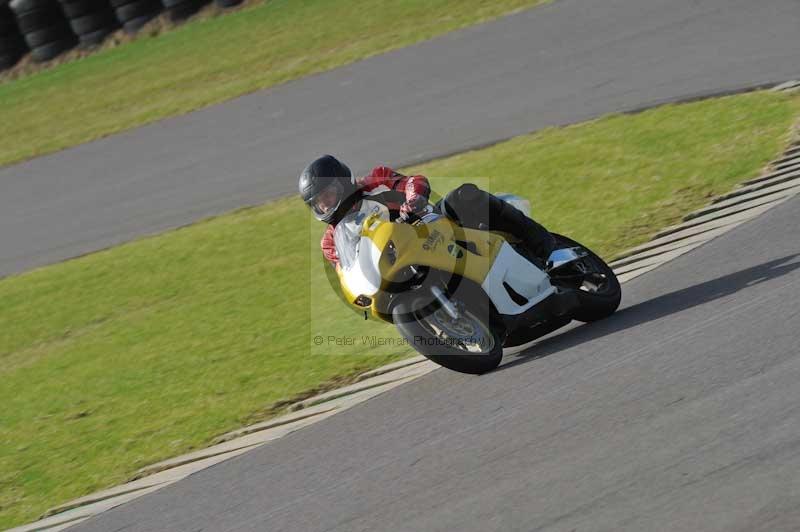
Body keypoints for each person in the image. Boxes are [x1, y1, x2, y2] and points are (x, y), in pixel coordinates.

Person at [298, 154, 555, 269]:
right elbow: (350, 274)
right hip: (400, 266)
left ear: (341, 181)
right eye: (319, 203)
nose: (326, 204)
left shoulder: (376, 181)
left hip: (436, 228)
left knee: (463, 195)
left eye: (328, 194)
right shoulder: (331, 242)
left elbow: (412, 181)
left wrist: (414, 199)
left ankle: (549, 248)